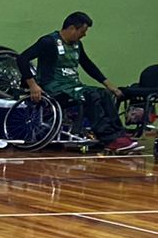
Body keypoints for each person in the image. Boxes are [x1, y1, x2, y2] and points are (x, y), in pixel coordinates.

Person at [18, 13, 138, 153]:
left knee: (104, 94)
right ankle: (110, 139)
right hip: (54, 88)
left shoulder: (77, 45)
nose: (84, 35)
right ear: (72, 28)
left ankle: (119, 134)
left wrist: (110, 86)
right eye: (83, 32)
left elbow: (88, 65)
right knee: (91, 96)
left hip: (73, 86)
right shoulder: (48, 42)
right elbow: (22, 59)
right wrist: (33, 85)